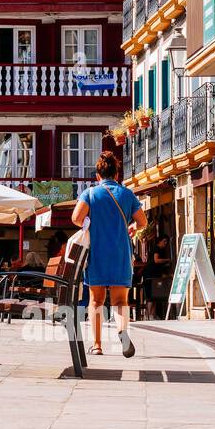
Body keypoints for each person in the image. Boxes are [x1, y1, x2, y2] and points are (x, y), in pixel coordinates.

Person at [71, 150, 146, 358]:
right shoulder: (126, 194)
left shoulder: (91, 193)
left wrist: (89, 223)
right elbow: (143, 221)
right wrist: (133, 229)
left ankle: (96, 345)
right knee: (121, 301)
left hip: (97, 253)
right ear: (117, 174)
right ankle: (122, 330)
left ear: (97, 176)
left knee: (95, 300)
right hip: (121, 252)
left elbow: (76, 218)